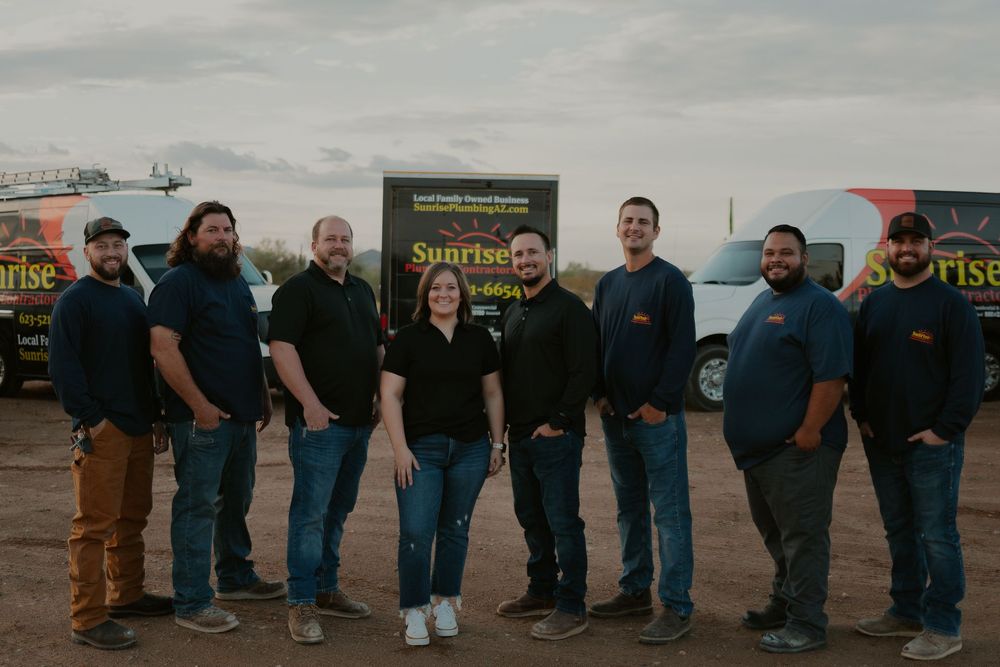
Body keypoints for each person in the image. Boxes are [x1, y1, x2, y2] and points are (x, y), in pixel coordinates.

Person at [850, 212, 984, 661]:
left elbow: (969, 376)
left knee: (937, 534)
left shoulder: (951, 304)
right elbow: (862, 366)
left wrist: (944, 431)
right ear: (887, 248)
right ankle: (906, 609)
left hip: (931, 446)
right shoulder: (875, 302)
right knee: (899, 530)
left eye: (915, 241)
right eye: (898, 241)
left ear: (930, 248)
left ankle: (944, 626)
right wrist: (862, 416)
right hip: (882, 441)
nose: (906, 249)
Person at [148, 201, 282, 634]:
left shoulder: (237, 282)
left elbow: (247, 344)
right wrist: (201, 408)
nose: (222, 236)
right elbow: (163, 349)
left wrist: (262, 394)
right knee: (196, 507)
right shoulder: (178, 283)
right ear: (192, 237)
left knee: (236, 501)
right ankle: (191, 601)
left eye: (227, 229)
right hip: (202, 420)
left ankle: (235, 577)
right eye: (212, 230)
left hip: (241, 416)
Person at [722, 224, 852, 654]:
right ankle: (784, 602)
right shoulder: (765, 299)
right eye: (770, 253)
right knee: (777, 535)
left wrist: (810, 430)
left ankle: (807, 623)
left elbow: (831, 377)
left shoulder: (820, 306)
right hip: (759, 453)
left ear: (804, 259)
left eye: (786, 253)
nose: (776, 259)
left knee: (803, 537)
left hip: (797, 450)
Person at [49, 217, 173, 650]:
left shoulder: (133, 300)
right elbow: (63, 369)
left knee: (131, 518)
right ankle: (87, 619)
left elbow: (145, 365)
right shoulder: (75, 301)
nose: (112, 252)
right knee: (93, 526)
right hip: (103, 430)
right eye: (102, 245)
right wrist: (91, 419)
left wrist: (156, 415)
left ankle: (127, 595)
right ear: (87, 252)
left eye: (118, 244)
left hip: (139, 425)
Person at [268, 215, 384, 644]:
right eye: (330, 239)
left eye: (345, 239)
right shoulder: (297, 290)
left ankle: (327, 588)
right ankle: (301, 602)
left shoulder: (361, 289)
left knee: (338, 511)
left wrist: (379, 399)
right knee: (310, 515)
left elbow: (377, 346)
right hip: (318, 426)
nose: (339, 245)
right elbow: (282, 349)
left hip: (358, 425)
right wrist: (310, 404)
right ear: (314, 244)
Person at [380, 262, 505, 647]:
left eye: (451, 287)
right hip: (421, 450)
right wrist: (400, 449)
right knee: (416, 531)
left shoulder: (479, 338)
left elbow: (493, 393)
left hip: (471, 448)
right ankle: (415, 609)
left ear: (462, 294)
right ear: (425, 295)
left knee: (455, 530)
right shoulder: (408, 339)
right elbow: (389, 395)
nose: (444, 294)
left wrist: (497, 444)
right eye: (435, 288)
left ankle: (446, 602)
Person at [590, 196, 696, 644]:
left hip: (656, 421)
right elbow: (596, 343)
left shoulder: (670, 281)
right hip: (616, 421)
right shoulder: (608, 284)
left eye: (643, 222)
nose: (634, 228)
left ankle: (676, 605)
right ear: (617, 229)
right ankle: (635, 591)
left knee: (669, 515)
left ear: (656, 230)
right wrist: (598, 394)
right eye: (627, 221)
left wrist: (661, 403)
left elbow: (683, 347)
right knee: (628, 510)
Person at [495, 225, 595, 640]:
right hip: (520, 437)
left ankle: (572, 605)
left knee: (562, 522)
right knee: (531, 518)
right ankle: (541, 591)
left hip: (556, 438)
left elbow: (584, 371)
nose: (525, 261)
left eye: (532, 252)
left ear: (549, 256)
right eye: (518, 255)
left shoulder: (570, 309)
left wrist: (557, 423)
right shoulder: (515, 310)